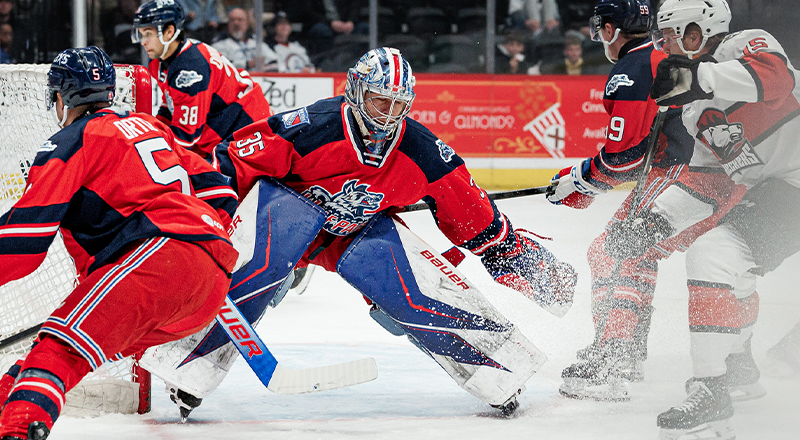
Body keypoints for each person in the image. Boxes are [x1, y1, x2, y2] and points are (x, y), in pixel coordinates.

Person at [152, 47, 579, 419]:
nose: (388, 117)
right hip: (286, 218)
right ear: (356, 92)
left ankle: (501, 371)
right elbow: (228, 163)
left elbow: (477, 221)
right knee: (255, 268)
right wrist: (208, 228)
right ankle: (185, 366)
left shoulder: (422, 151)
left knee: (412, 293)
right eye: (379, 102)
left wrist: (537, 271)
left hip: (353, 235)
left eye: (398, 106)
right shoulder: (312, 126)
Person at [0, 46, 239, 440]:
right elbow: (220, 190)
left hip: (155, 259)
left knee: (61, 349)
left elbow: (25, 236)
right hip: (211, 283)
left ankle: (12, 432)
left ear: (60, 97)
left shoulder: (73, 140)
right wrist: (198, 252)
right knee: (66, 344)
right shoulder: (153, 127)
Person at [546, 0, 757, 404]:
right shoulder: (688, 59)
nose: (667, 41)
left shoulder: (634, 68)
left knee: (614, 252)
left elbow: (624, 157)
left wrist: (582, 181)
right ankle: (739, 363)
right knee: (732, 266)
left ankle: (615, 359)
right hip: (731, 177)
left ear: (610, 30)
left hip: (685, 175)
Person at [639, 0, 800, 437]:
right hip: (786, 195)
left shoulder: (744, 45)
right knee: (723, 261)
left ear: (698, 31)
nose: (664, 45)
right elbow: (712, 181)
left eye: (671, 34)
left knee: (719, 256)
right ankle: (733, 369)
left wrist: (699, 77)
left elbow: (777, 80)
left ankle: (723, 378)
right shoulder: (694, 112)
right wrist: (660, 219)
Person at [133, 0, 272, 158]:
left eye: (149, 34)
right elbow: (171, 106)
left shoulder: (189, 70)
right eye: (142, 34)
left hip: (249, 128)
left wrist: (147, 145)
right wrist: (153, 128)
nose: (143, 41)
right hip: (226, 128)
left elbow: (186, 137)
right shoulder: (163, 61)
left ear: (169, 32)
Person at [211, 7, 277, 72]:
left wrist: (262, 68)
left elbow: (274, 62)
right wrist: (247, 64)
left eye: (240, 20)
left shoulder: (257, 44)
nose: (236, 23)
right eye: (232, 20)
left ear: (247, 24)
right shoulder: (218, 46)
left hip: (258, 81)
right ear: (228, 24)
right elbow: (221, 67)